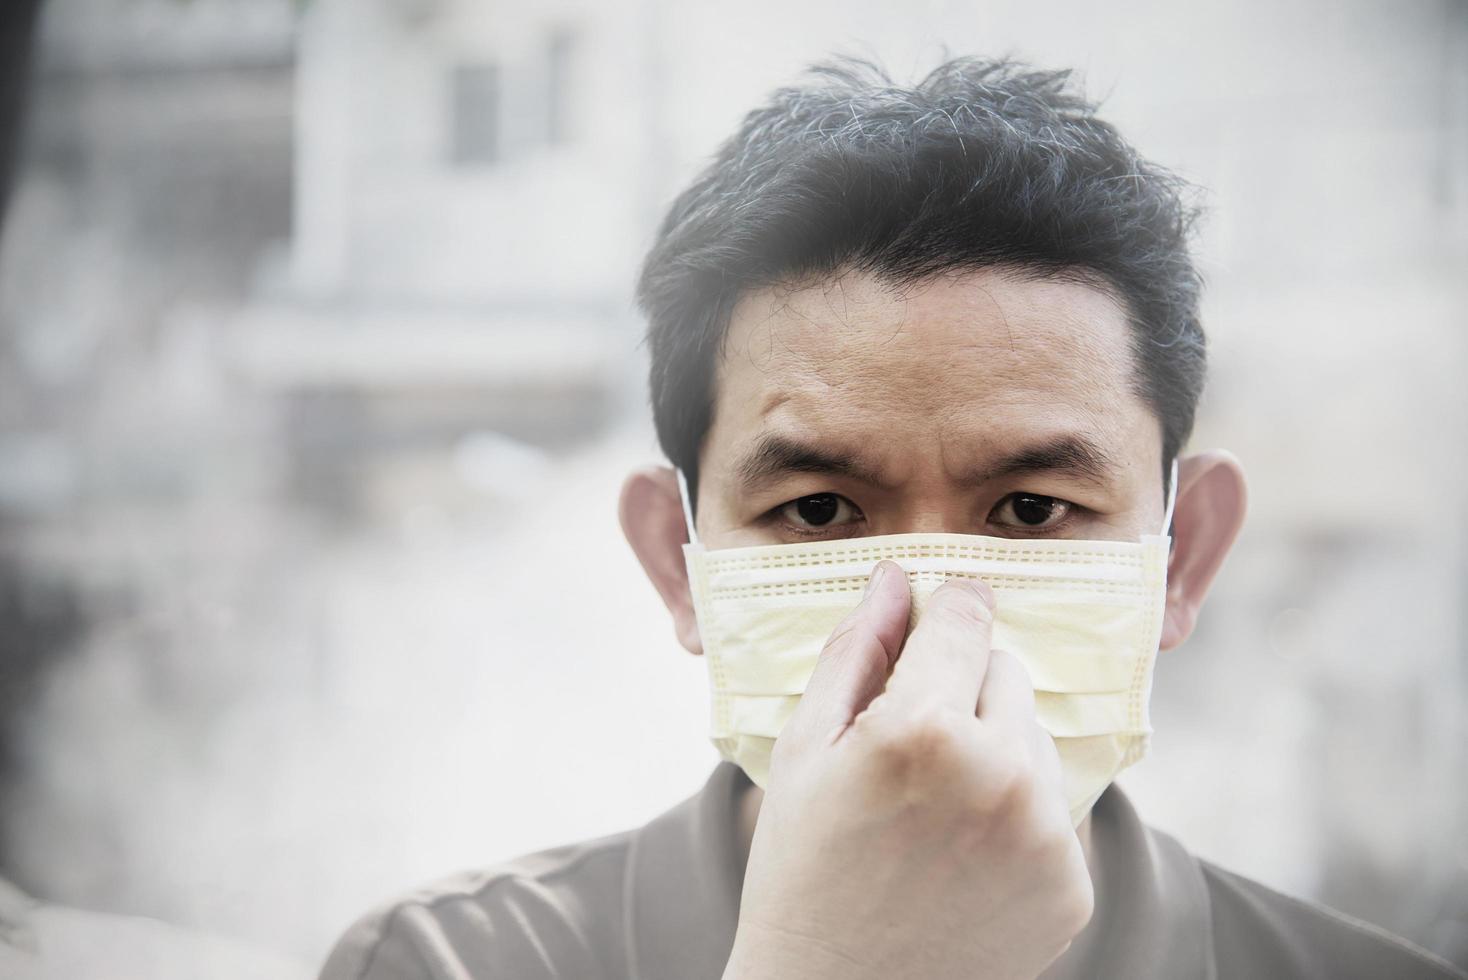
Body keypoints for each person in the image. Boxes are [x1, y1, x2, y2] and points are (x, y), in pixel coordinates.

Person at [318, 57, 1467, 980]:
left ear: (1185, 554)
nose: (923, 633)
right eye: (819, 509)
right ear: (680, 563)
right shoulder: (448, 963)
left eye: (1028, 508)